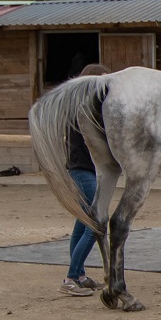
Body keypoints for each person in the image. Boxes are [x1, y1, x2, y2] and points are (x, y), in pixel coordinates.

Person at [60, 64, 111, 297]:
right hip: (84, 171)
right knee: (95, 224)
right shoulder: (88, 110)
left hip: (78, 170)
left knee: (82, 225)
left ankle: (78, 274)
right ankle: (71, 278)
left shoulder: (75, 106)